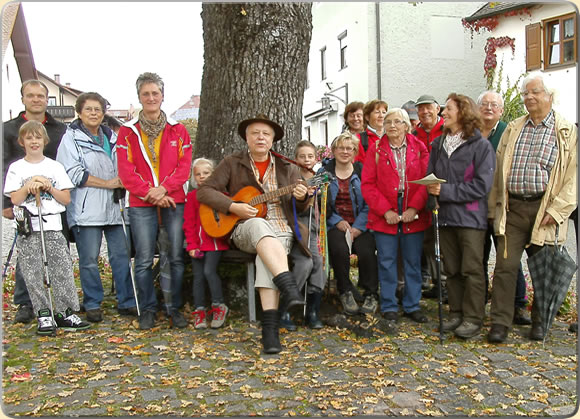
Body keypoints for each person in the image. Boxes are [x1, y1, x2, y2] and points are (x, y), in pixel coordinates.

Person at [197, 114, 309, 354]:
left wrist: (302, 197)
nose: (260, 137)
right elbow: (204, 192)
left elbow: (299, 207)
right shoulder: (232, 163)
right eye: (255, 133)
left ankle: (270, 333)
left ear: (272, 140)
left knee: (265, 257)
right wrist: (233, 207)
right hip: (243, 229)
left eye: (265, 134)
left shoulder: (287, 167)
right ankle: (289, 289)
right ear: (246, 138)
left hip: (281, 229)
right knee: (258, 225)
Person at [487, 72, 577, 343]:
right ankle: (500, 323)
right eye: (525, 93)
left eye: (534, 92)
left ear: (550, 96)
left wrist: (558, 210)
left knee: (545, 269)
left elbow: (573, 176)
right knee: (504, 267)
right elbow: (497, 172)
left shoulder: (565, 131)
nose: (528, 97)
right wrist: (495, 207)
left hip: (544, 211)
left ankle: (540, 322)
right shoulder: (514, 128)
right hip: (513, 208)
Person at [116, 72, 192, 330]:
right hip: (140, 203)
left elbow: (184, 168)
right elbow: (126, 173)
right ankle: (147, 308)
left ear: (162, 96)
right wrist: (151, 193)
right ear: (139, 97)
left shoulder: (178, 129)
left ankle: (173, 308)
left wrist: (163, 190)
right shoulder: (127, 132)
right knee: (145, 259)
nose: (150, 98)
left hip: (173, 200)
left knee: (175, 257)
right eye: (145, 94)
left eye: (155, 93)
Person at [56, 92, 137, 323]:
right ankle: (92, 303)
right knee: (89, 259)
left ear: (104, 113)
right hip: (86, 209)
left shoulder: (113, 137)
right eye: (89, 109)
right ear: (79, 112)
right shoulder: (70, 139)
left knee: (121, 256)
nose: (94, 113)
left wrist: (122, 181)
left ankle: (127, 301)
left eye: (98, 109)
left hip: (115, 208)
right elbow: (72, 173)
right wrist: (107, 183)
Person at [4, 121, 90, 334]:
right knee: (32, 271)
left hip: (52, 223)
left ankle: (65, 311)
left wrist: (48, 187)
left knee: (61, 268)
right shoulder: (16, 168)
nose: (34, 142)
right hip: (28, 225)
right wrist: (28, 186)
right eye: (29, 138)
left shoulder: (54, 167)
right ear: (22, 142)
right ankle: (43, 312)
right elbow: (15, 198)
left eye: (38, 138)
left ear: (44, 141)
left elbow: (65, 198)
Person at [426, 93, 495, 339]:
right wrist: (430, 191)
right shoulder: (437, 144)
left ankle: (473, 317)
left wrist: (445, 190)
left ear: (463, 113)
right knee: (452, 269)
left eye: (449, 110)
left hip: (470, 219)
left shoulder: (481, 146)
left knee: (472, 269)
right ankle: (455, 312)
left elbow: (481, 186)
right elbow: (430, 176)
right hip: (444, 217)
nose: (443, 114)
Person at [3, 79, 67, 325]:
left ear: (46, 99)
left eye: (40, 96)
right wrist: (5, 203)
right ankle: (25, 303)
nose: (36, 100)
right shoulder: (9, 129)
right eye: (31, 96)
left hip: (53, 200)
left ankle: (61, 301)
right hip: (22, 202)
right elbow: (3, 166)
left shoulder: (59, 129)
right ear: (23, 99)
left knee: (56, 250)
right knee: (28, 253)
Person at [361, 108, 430, 324]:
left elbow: (428, 181)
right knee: (387, 260)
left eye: (397, 122)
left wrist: (414, 208)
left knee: (412, 261)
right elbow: (368, 184)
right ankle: (389, 304)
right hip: (385, 208)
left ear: (406, 126)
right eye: (388, 121)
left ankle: (412, 305)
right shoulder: (376, 150)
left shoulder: (419, 148)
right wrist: (385, 211)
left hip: (413, 207)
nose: (392, 125)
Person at [477, 90, 530, 325]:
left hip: (500, 205)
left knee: (507, 255)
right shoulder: (470, 133)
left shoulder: (509, 132)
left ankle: (517, 304)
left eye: (494, 105)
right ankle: (477, 301)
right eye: (485, 104)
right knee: (477, 257)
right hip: (474, 207)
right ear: (478, 108)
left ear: (501, 110)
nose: (489, 108)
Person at [321, 132, 378, 315]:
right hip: (335, 224)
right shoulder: (324, 173)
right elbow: (319, 205)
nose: (345, 151)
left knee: (367, 250)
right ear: (334, 150)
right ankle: (344, 290)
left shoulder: (363, 171)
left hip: (361, 224)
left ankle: (371, 293)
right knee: (338, 249)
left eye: (349, 148)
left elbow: (371, 202)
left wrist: (358, 227)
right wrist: (336, 221)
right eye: (341, 148)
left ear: (354, 152)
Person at [284, 140, 327, 330]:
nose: (306, 160)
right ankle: (285, 308)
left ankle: (313, 311)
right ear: (296, 159)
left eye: (310, 156)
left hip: (314, 228)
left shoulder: (320, 177)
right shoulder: (290, 178)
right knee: (305, 263)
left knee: (319, 263)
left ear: (316, 158)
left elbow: (327, 205)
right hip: (296, 228)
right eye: (302, 156)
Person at [183, 158, 229, 329]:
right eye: (198, 174)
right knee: (198, 277)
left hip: (215, 243)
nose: (202, 177)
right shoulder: (192, 197)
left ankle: (219, 306)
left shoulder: (221, 195)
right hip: (198, 245)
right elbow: (189, 222)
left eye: (206, 173)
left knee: (209, 271)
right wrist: (192, 245)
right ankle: (200, 311)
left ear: (214, 174)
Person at [413, 94, 446, 300]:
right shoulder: (414, 133)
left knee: (442, 240)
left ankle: (445, 283)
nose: (425, 112)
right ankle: (435, 281)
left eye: (428, 108)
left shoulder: (446, 130)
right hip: (421, 192)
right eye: (421, 109)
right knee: (427, 240)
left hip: (443, 191)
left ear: (437, 109)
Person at [354, 99, 388, 164]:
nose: (381, 116)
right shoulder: (359, 139)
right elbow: (359, 166)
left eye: (384, 112)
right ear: (367, 117)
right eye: (377, 112)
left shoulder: (392, 136)